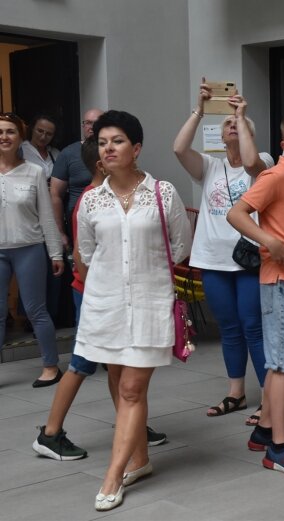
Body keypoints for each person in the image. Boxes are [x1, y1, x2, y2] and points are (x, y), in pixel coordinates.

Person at [75, 110, 191, 511]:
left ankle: (113, 475)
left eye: (118, 140)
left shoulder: (162, 192)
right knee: (117, 381)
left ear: (136, 148)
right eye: (103, 141)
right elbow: (87, 255)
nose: (108, 147)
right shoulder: (91, 200)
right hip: (104, 305)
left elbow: (180, 246)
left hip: (149, 302)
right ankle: (139, 460)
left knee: (130, 388)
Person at [32, 137, 167, 461]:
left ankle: (130, 422)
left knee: (116, 367)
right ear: (101, 164)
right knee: (81, 364)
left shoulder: (108, 198)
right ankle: (51, 433)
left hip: (105, 294)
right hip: (93, 294)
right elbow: (84, 259)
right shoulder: (91, 201)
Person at [227, 112, 284, 476]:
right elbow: (237, 214)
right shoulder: (278, 176)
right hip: (280, 281)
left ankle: (265, 432)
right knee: (282, 365)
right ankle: (278, 449)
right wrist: (269, 240)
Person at [173, 79, 272, 423]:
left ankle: (269, 400)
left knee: (253, 327)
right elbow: (178, 148)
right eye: (227, 123)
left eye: (237, 124)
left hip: (248, 260)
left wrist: (242, 117)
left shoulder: (262, 161)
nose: (230, 125)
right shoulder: (210, 166)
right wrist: (200, 111)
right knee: (229, 328)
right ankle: (236, 393)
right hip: (212, 260)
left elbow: (248, 161)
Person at [0, 112, 64, 387]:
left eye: (10, 132)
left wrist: (55, 253)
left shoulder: (34, 171)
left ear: (20, 137)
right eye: (0, 132)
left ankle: (51, 366)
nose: (4, 137)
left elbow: (46, 217)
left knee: (36, 310)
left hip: (29, 249)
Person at [50, 108, 103, 251]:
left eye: (97, 123)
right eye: (88, 123)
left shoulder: (112, 151)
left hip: (110, 218)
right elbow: (55, 195)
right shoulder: (68, 153)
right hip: (78, 220)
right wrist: (60, 232)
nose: (92, 127)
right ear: (83, 126)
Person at [21, 115, 59, 179]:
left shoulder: (56, 153)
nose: (43, 137)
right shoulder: (20, 150)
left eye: (49, 134)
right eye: (40, 131)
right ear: (32, 129)